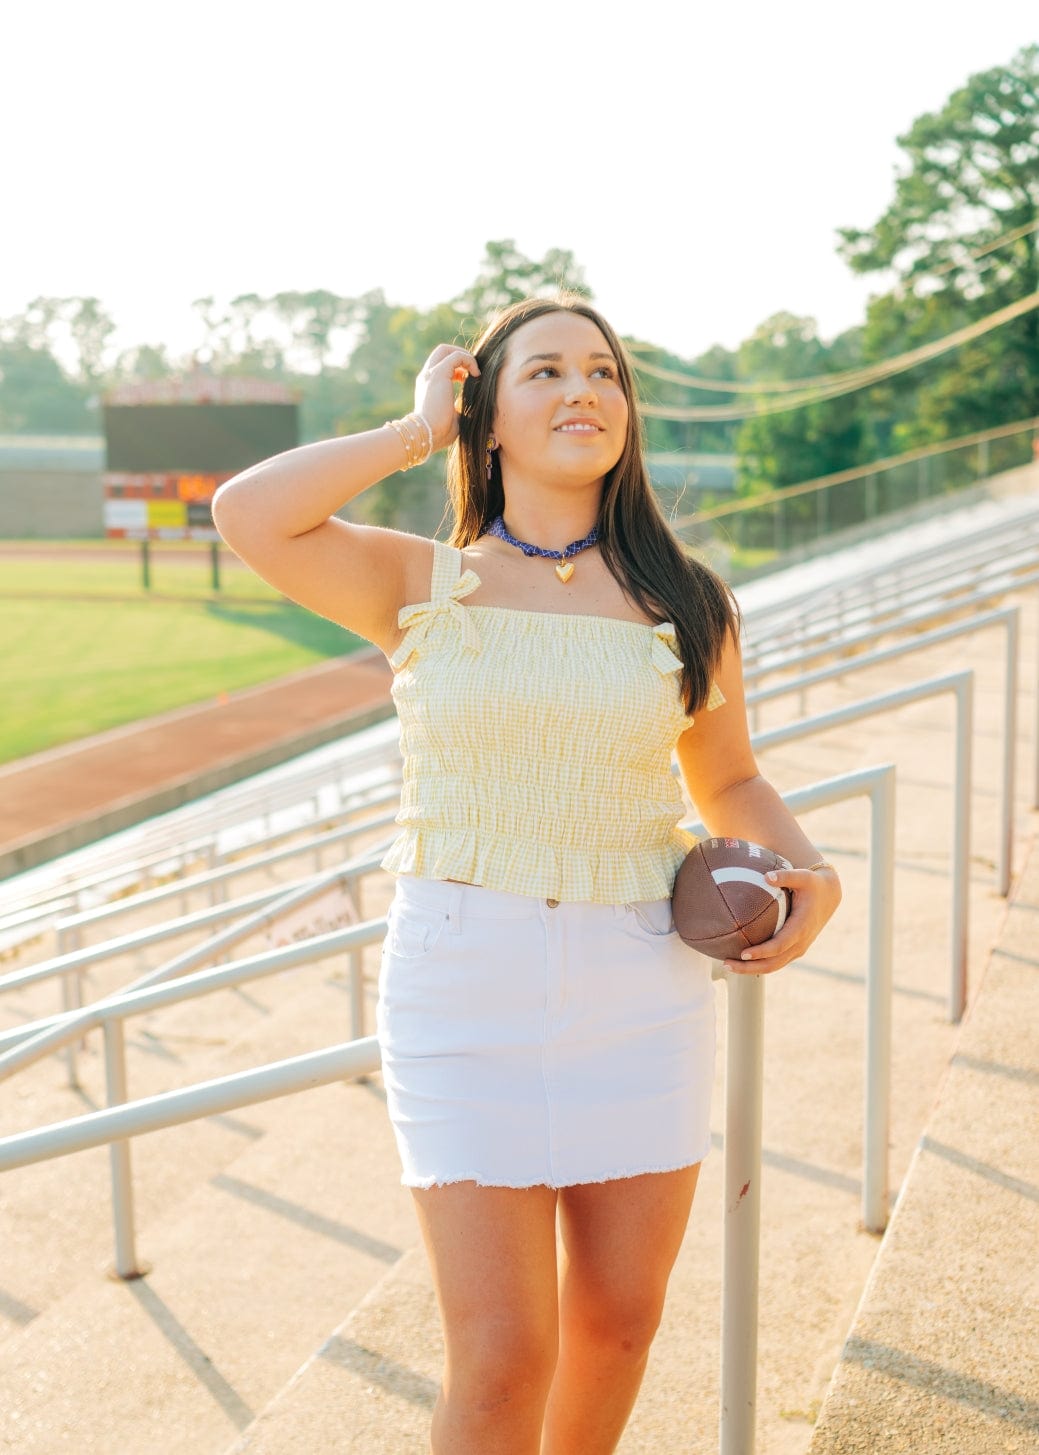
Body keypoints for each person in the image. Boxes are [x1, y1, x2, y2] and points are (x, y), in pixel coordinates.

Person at [212, 294, 841, 1454]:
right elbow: (248, 511)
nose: (582, 391)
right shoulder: (422, 582)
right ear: (486, 417)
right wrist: (413, 429)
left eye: (603, 373)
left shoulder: (687, 602)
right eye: (544, 372)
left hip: (640, 989)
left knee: (619, 1326)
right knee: (503, 1359)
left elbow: (732, 781)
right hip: (464, 990)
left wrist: (815, 876)